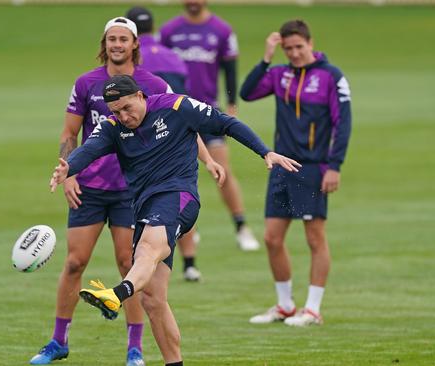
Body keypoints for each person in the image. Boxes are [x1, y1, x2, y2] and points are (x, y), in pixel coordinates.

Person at [50, 75, 300, 365]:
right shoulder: (112, 127)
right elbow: (87, 151)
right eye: (116, 111)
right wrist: (68, 168)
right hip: (144, 208)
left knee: (146, 250)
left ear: (141, 96)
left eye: (127, 108)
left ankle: (117, 294)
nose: (123, 116)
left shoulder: (177, 106)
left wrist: (264, 151)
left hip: (178, 197)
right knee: (153, 300)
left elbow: (226, 123)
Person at [29, 17, 181, 366]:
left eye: (123, 39)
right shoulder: (86, 83)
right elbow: (70, 134)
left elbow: (178, 122)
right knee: (74, 262)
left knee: (129, 264)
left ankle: (134, 349)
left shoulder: (153, 83)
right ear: (104, 43)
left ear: (134, 44)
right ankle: (58, 342)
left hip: (133, 190)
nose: (116, 44)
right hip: (90, 188)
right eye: (111, 39)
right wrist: (69, 174)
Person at [240, 19, 352, 326]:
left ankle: (313, 309)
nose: (293, 53)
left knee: (314, 238)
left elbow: (343, 124)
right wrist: (266, 57)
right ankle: (286, 305)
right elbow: (247, 93)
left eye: (298, 47)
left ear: (310, 43)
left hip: (313, 168)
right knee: (272, 238)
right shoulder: (279, 74)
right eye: (287, 48)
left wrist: (334, 166)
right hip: (280, 166)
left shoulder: (331, 77)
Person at [160, 0, 262, 252]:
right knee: (174, 174)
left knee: (222, 169)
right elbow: (159, 70)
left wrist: (231, 104)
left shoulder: (222, 30)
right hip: (175, 112)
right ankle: (185, 228)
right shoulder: (169, 31)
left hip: (207, 111)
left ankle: (241, 226)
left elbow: (230, 68)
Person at [126, 6, 203, 282]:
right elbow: (185, 101)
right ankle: (190, 262)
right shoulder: (174, 57)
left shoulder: (136, 67)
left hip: (151, 142)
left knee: (163, 206)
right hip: (182, 134)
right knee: (180, 197)